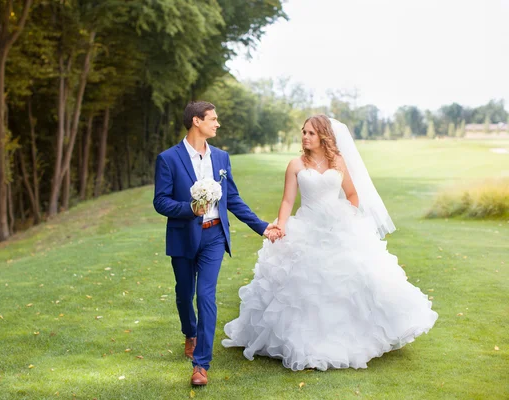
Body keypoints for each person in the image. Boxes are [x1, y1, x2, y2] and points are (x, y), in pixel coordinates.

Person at [222, 115, 438, 371]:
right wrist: (281, 224)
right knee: (304, 285)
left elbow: (352, 194)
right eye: (303, 132)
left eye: (311, 133)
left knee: (351, 279)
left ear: (323, 135)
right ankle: (302, 343)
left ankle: (354, 337)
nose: (305, 136)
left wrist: (347, 216)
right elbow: (287, 201)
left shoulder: (338, 162)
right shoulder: (295, 164)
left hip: (338, 226)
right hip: (306, 225)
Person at [153, 101, 281, 385]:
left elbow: (231, 198)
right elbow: (160, 201)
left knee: (206, 296)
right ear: (196, 121)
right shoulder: (168, 159)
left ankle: (201, 365)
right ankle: (190, 332)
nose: (217, 123)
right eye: (213, 119)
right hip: (183, 236)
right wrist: (189, 209)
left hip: (213, 236)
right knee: (185, 294)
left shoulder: (221, 158)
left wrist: (261, 226)